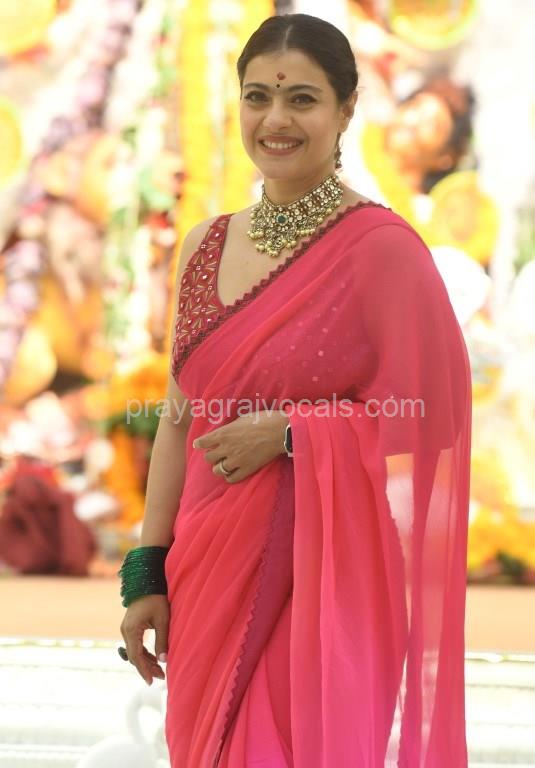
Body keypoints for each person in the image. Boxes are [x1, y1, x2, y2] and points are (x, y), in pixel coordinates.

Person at [119, 13, 472, 768]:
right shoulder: (205, 245)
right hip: (205, 574)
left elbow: (431, 419)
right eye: (257, 96)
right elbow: (178, 421)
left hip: (321, 588)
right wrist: (146, 571)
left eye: (302, 99)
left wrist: (292, 434)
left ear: (346, 110)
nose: (275, 120)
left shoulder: (381, 251)